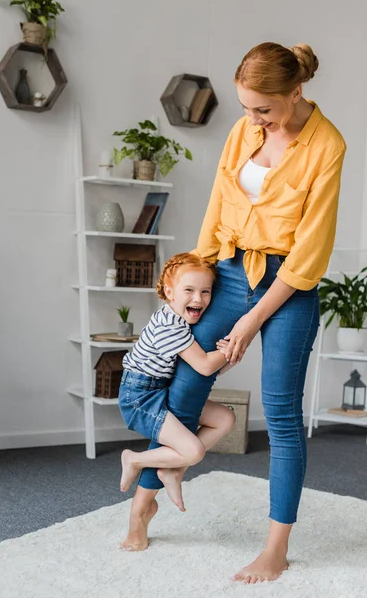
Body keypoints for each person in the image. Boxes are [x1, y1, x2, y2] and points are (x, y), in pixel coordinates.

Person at [121, 41, 346, 583]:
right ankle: (145, 499)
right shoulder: (243, 130)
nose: (254, 120)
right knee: (183, 390)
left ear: (296, 92)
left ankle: (275, 548)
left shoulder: (328, 145)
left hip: (286, 286)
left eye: (263, 109)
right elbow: (218, 205)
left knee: (283, 415)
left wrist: (250, 322)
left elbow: (309, 254)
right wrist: (193, 276)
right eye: (247, 108)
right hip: (225, 271)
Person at [118, 252, 235, 517]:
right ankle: (133, 458)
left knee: (225, 419)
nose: (198, 299)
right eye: (189, 290)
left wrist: (230, 357)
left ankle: (173, 469)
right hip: (139, 397)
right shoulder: (169, 325)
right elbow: (205, 364)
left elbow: (209, 368)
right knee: (193, 451)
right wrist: (236, 344)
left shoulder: (181, 320)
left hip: (159, 390)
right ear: (169, 292)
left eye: (206, 291)